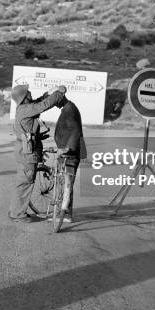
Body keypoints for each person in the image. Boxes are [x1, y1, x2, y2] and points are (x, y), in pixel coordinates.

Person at [8, 84, 67, 222]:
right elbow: (44, 105)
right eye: (27, 92)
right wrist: (58, 94)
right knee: (25, 182)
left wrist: (49, 93)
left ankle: (15, 211)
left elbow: (39, 102)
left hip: (25, 150)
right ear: (24, 97)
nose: (30, 93)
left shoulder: (25, 108)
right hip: (27, 153)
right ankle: (17, 214)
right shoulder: (25, 109)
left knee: (24, 182)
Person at [54, 94, 87, 223]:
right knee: (66, 182)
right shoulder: (69, 108)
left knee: (67, 183)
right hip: (68, 151)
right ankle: (64, 211)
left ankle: (66, 214)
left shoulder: (69, 110)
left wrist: (67, 148)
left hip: (70, 153)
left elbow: (75, 131)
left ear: (59, 99)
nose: (53, 104)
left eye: (54, 101)